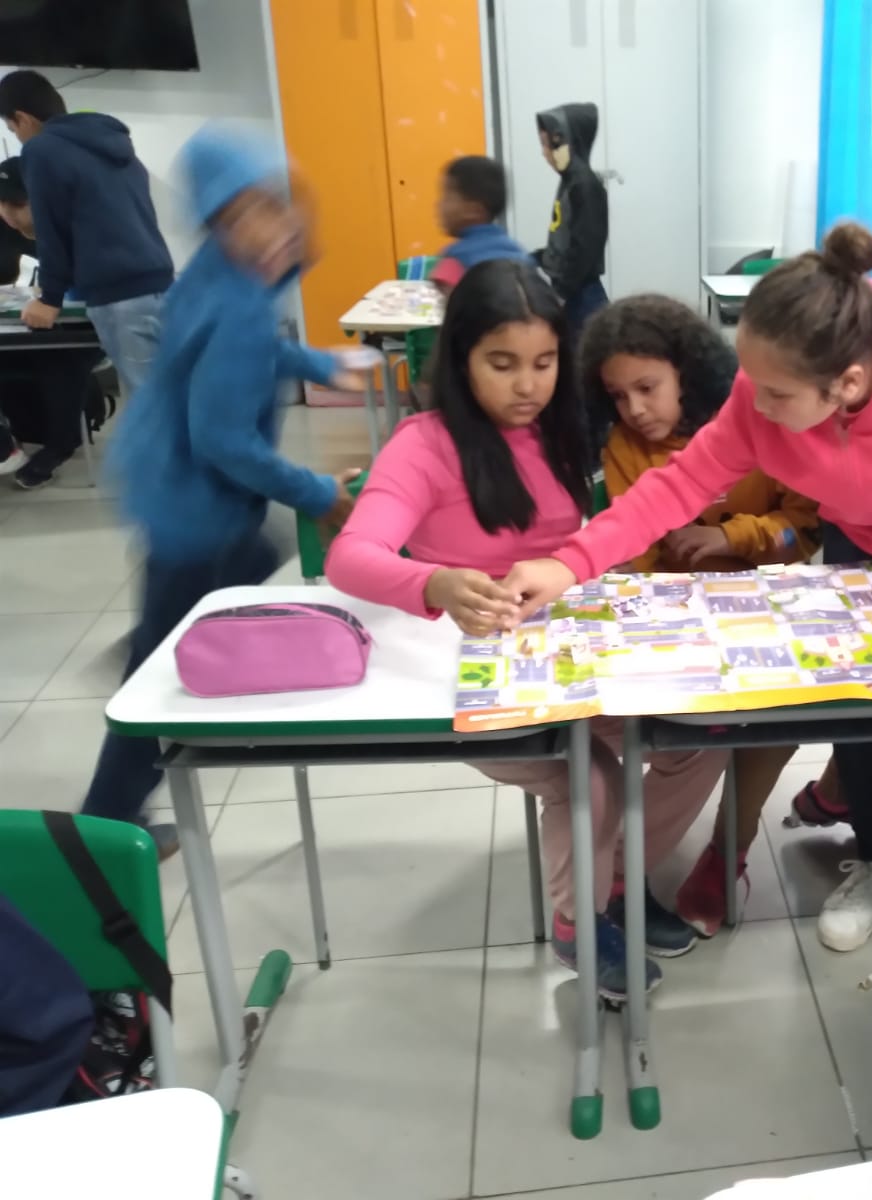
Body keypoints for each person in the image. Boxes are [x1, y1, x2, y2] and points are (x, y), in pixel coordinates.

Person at [500, 221, 872, 953]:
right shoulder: (765, 391)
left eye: (776, 395)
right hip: (859, 534)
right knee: (860, 698)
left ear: (847, 384)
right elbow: (676, 487)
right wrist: (568, 565)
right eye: (753, 385)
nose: (756, 408)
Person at [326, 261, 726, 1000]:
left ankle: (616, 882)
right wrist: (434, 583)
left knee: (698, 739)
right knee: (589, 776)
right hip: (480, 674)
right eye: (502, 363)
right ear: (461, 360)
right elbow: (350, 556)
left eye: (544, 363)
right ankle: (580, 921)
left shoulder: (564, 429)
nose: (527, 386)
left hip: (575, 654)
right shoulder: (425, 444)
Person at [80, 125, 362, 850]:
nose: (269, 230)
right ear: (215, 225)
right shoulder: (237, 305)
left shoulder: (220, 276)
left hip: (172, 483)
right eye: (241, 218)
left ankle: (171, 636)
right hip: (192, 503)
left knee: (252, 559)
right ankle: (105, 825)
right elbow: (226, 442)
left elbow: (256, 350)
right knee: (152, 685)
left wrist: (318, 364)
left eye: (275, 206)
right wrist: (316, 492)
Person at [581, 293, 826, 937]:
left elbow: (801, 531)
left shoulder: (761, 420)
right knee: (679, 735)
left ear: (688, 372)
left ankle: (726, 852)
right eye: (618, 396)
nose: (635, 409)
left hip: (759, 607)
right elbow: (633, 548)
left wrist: (730, 537)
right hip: (672, 622)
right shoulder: (623, 445)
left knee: (782, 714)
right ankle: (613, 873)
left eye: (647, 388)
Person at [0, 69, 173, 396]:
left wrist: (49, 299)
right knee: (172, 395)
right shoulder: (113, 142)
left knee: (151, 405)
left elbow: (50, 225)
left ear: (22, 118)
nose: (18, 138)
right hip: (161, 283)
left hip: (117, 294)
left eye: (12, 130)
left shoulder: (41, 149)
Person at [0, 155, 101, 489]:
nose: (9, 214)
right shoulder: (8, 228)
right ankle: (6, 443)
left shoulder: (78, 228)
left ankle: (60, 445)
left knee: (59, 357)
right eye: (3, 204)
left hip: (82, 329)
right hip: (23, 326)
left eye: (18, 205)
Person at [534, 103, 607, 336]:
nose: (544, 153)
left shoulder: (585, 185)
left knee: (587, 350)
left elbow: (586, 246)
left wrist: (562, 293)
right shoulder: (569, 182)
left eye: (547, 144)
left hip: (582, 295)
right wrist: (538, 258)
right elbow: (564, 237)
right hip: (573, 290)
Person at [430, 155, 526, 292]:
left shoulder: (455, 258)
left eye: (447, 197)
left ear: (473, 210)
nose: (438, 205)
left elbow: (451, 302)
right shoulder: (519, 252)